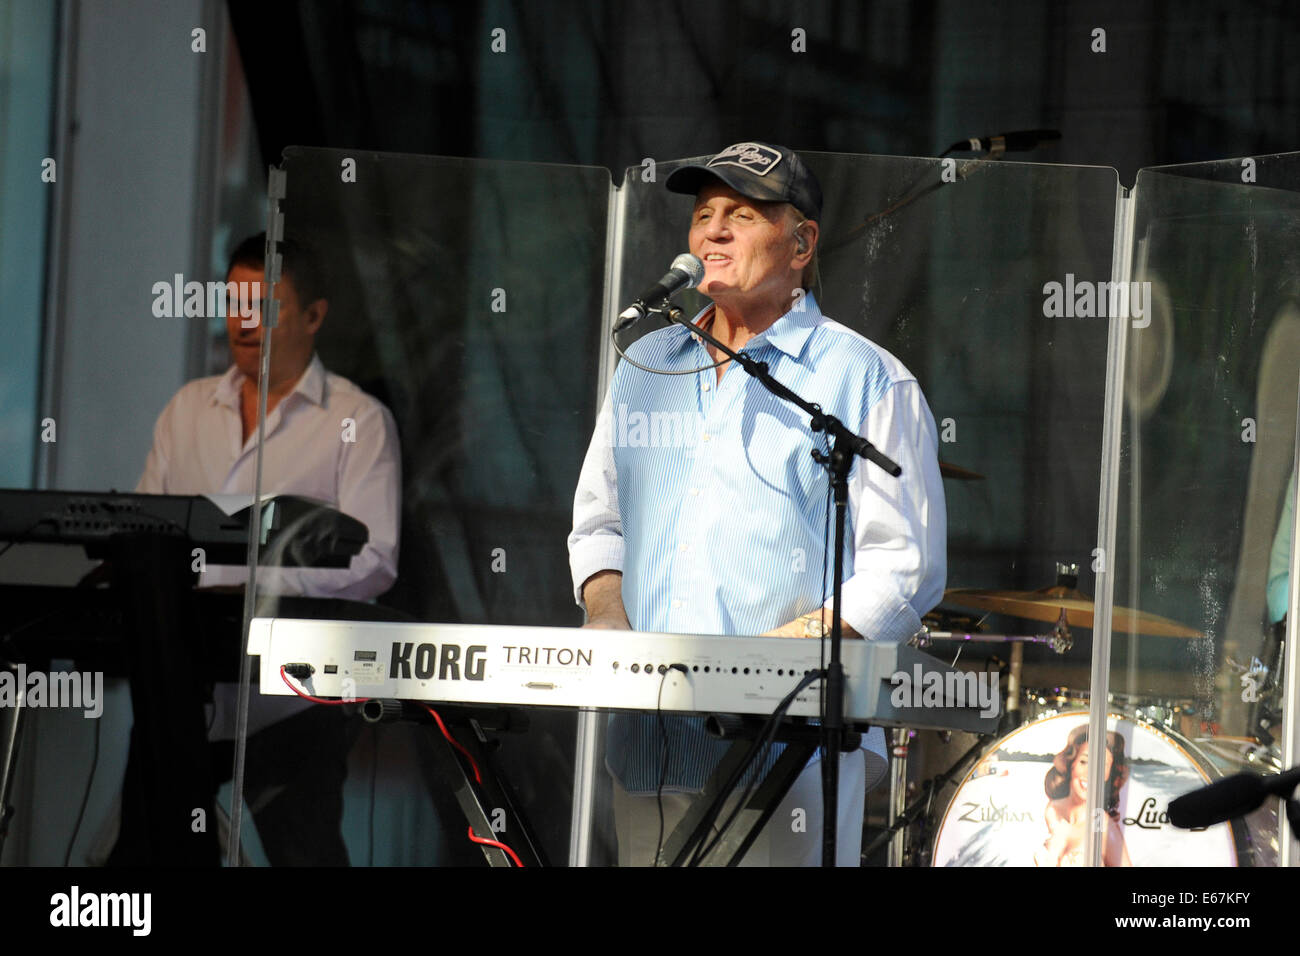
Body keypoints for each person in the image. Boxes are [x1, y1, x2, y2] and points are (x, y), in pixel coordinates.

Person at [568, 141, 946, 866]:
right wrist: (608, 618)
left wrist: (767, 665)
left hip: (789, 754)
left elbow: (903, 571)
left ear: (801, 243)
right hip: (645, 746)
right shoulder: (645, 367)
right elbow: (600, 525)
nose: (711, 230)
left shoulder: (865, 379)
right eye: (703, 213)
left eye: (739, 215)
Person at [131, 233, 401, 865]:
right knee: (140, 868)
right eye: (235, 303)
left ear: (313, 316)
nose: (246, 322)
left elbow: (375, 560)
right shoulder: (186, 410)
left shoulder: (357, 420)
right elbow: (145, 532)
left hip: (291, 704)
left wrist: (262, 590)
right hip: (179, 686)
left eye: (267, 305)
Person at [1034, 724, 1132, 867]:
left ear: (1109, 775)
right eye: (1084, 762)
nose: (1090, 773)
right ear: (1071, 763)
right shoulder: (1052, 810)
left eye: (1101, 765)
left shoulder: (1104, 827)